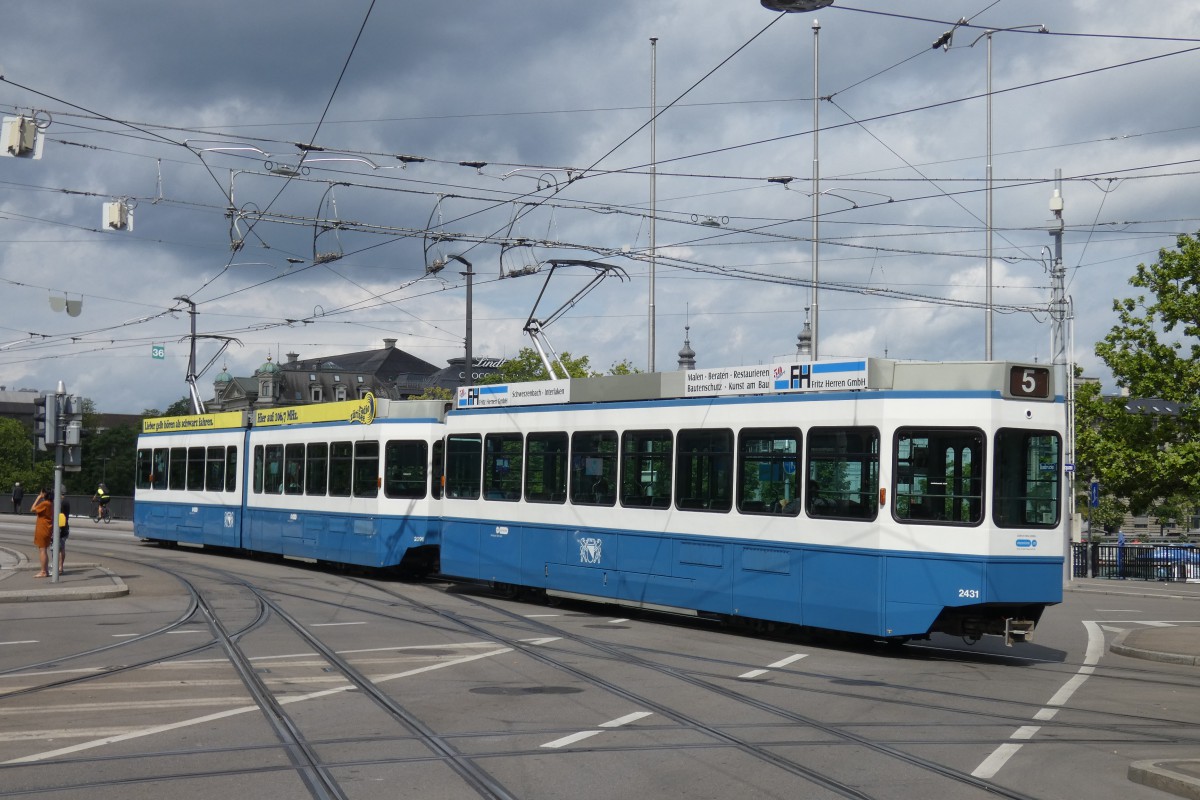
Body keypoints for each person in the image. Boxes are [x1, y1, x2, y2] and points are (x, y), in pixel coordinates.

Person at [31, 487, 54, 578]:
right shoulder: (51, 503)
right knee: (44, 549)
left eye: (41, 492)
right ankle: (46, 570)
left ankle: (43, 571)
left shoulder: (45, 503)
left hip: (42, 528)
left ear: (44, 494)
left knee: (42, 550)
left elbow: (32, 509)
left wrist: (38, 498)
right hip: (48, 528)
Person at [58, 494, 71, 574]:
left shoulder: (60, 502)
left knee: (59, 548)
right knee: (61, 548)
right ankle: (60, 566)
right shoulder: (66, 501)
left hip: (60, 527)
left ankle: (59, 567)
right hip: (65, 526)